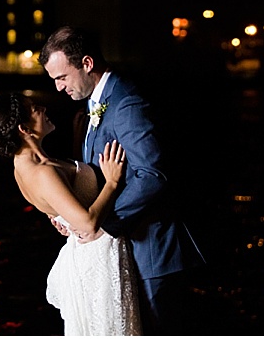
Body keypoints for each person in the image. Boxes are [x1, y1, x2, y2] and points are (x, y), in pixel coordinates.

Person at [39, 25, 205, 335]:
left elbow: (152, 174)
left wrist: (103, 223)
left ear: (87, 64)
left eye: (62, 77)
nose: (59, 88)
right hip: (126, 252)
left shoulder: (126, 102)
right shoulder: (95, 102)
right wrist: (70, 215)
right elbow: (97, 175)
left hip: (151, 253)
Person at [0, 91, 142, 336]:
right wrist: (112, 182)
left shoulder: (23, 166)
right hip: (98, 256)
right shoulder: (42, 172)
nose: (43, 108)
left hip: (88, 254)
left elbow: (64, 197)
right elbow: (88, 224)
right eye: (35, 108)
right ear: (24, 128)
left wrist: (78, 142)